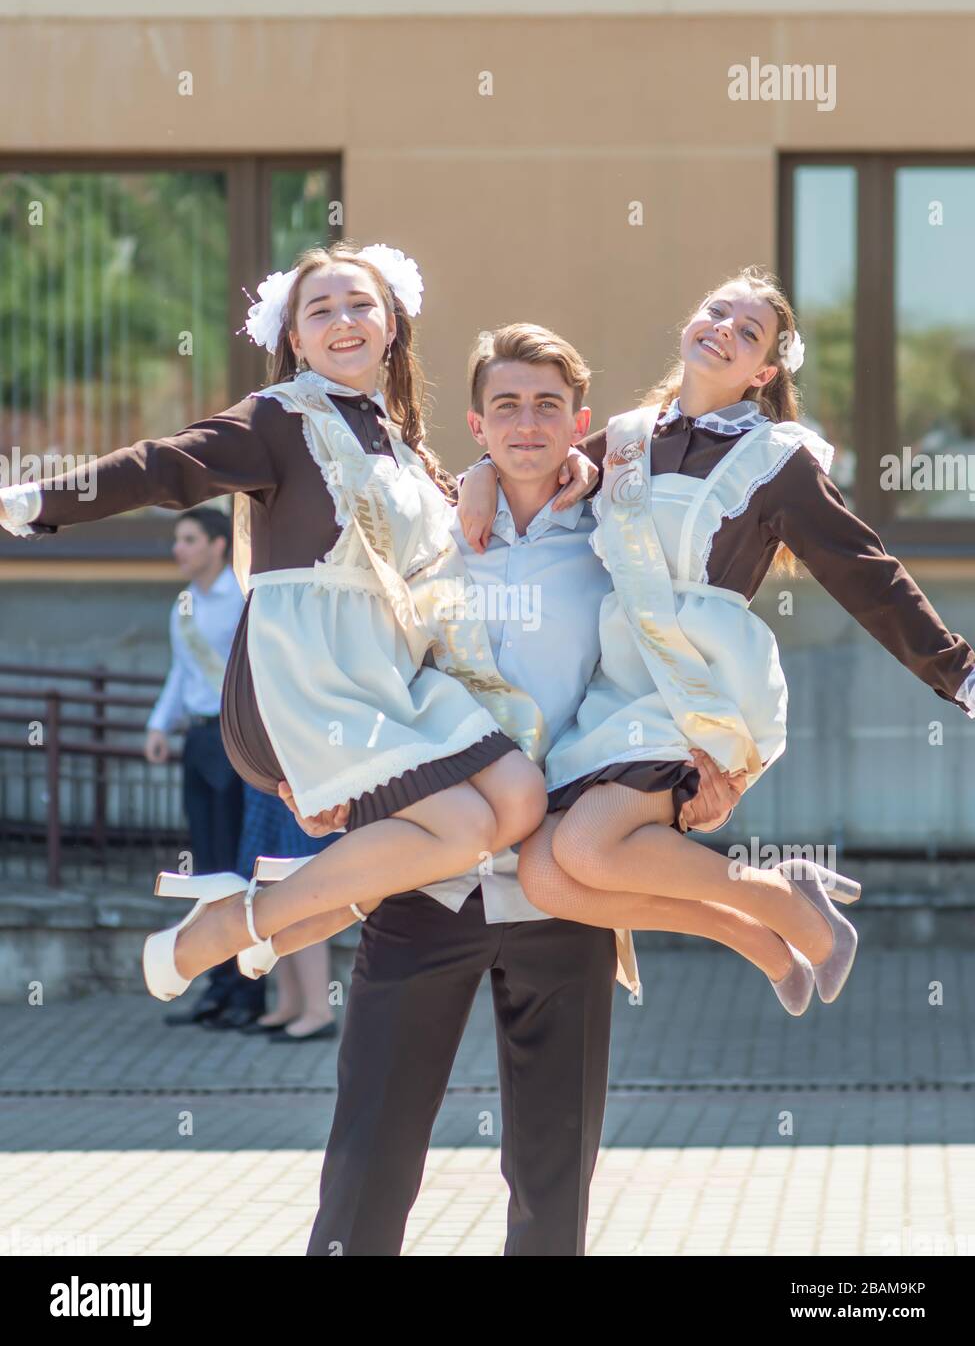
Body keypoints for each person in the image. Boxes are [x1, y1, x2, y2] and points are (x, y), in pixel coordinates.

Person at [239, 322, 741, 1256]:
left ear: (577, 422)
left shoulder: (615, 539)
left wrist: (703, 770)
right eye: (505, 405)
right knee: (369, 1160)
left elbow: (676, 656)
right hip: (426, 882)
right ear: (475, 422)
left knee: (553, 1177)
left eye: (547, 405)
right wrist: (303, 771)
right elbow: (325, 639)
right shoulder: (426, 529)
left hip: (564, 889)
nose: (526, 422)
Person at [0, 240, 595, 1003]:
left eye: (360, 306)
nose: (342, 321)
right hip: (316, 677)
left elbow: (458, 510)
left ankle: (281, 907)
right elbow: (163, 464)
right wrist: (33, 500)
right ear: (294, 337)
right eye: (320, 310)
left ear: (391, 328)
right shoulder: (280, 418)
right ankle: (247, 924)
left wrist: (512, 470)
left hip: (395, 672)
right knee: (462, 827)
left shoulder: (396, 440)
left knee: (517, 802)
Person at [459, 267, 975, 1016]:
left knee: (583, 849)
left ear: (763, 370)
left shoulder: (778, 461)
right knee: (543, 875)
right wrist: (478, 472)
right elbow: (534, 464)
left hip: (697, 682)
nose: (722, 330)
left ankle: (787, 903)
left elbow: (864, 572)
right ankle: (761, 938)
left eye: (747, 331)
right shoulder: (628, 441)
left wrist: (957, 673)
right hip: (617, 681)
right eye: (715, 312)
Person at [141, 505, 258, 1029]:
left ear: (217, 544)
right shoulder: (183, 606)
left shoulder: (242, 597)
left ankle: (247, 992)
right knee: (208, 868)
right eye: (176, 540)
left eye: (188, 539)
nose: (177, 549)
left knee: (237, 866)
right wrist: (158, 726)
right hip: (198, 743)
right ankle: (215, 985)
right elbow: (180, 672)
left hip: (235, 743)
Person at [234, 784, 340, 1042]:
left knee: (300, 889)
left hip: (297, 779)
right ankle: (289, 1004)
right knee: (274, 884)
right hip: (270, 783)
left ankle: (319, 1011)